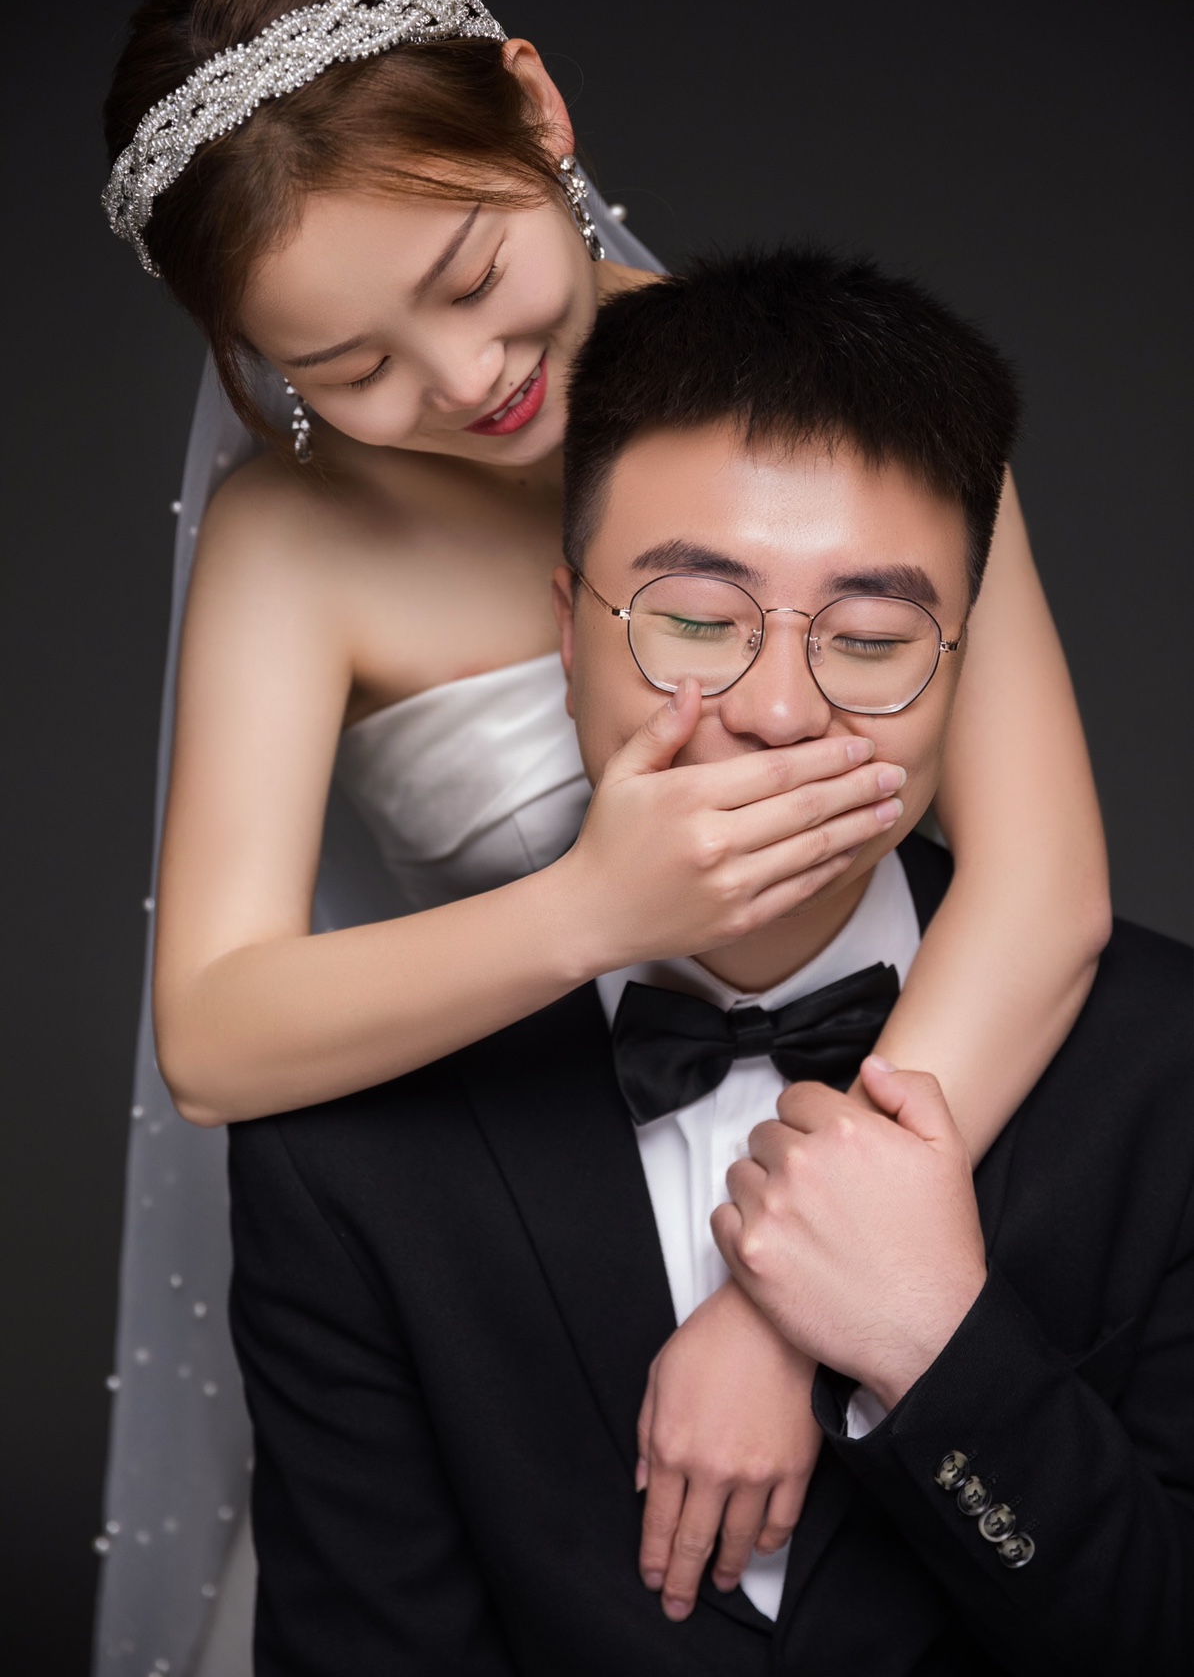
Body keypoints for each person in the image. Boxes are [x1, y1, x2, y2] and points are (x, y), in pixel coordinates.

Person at [96, 0, 1109, 1676]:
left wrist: (792, 1303)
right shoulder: (296, 539)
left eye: (469, 275)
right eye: (346, 372)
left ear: (536, 110)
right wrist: (594, 909)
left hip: (904, 1163)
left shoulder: (847, 399)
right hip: (513, 1269)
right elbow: (214, 1033)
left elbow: (1043, 895)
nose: (459, 382)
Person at [229, 247, 1193, 1675]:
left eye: (873, 637)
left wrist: (931, 1346)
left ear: (960, 666)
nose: (780, 711)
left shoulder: (1164, 1069)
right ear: (566, 636)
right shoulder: (349, 1151)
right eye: (693, 622)